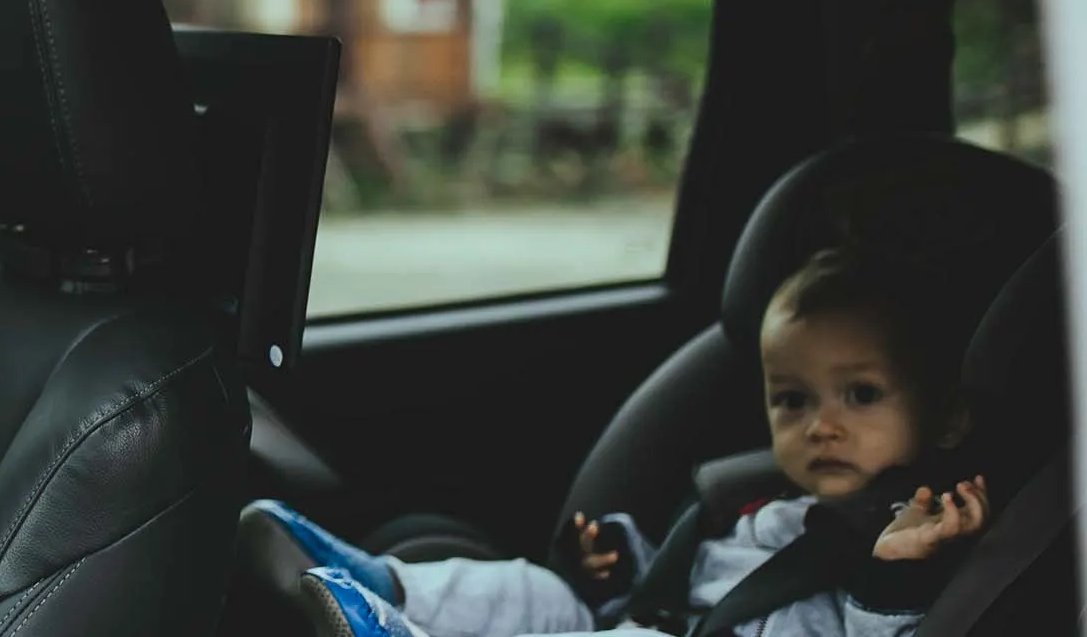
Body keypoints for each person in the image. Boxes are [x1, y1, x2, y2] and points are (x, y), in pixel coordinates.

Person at [260, 247, 990, 637]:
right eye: (792, 400)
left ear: (946, 417)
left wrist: (896, 575)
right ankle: (383, 584)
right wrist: (622, 567)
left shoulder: (911, 535)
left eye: (860, 395)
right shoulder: (766, 501)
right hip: (659, 621)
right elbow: (702, 580)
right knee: (535, 591)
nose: (820, 425)